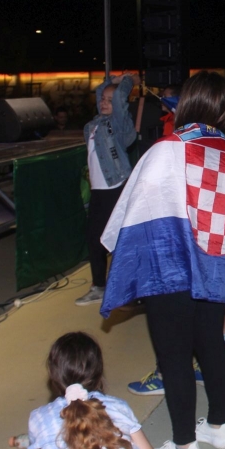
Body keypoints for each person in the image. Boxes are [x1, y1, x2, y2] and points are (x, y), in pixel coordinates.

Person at [100, 71, 225, 449]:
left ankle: (184, 446)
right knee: (210, 343)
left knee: (173, 355)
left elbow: (138, 208)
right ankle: (219, 426)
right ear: (222, 108)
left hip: (172, 266)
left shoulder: (169, 148)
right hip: (214, 265)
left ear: (188, 102)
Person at [0, 332, 161, 449]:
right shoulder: (118, 406)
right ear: (99, 372)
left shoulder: (39, 418)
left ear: (53, 375)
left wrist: (38, 446)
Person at [75, 74, 136, 306]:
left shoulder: (119, 126)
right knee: (94, 238)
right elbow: (103, 90)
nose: (104, 102)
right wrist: (111, 79)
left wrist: (126, 81)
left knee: (118, 239)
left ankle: (124, 287)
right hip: (99, 191)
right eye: (103, 99)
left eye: (110, 100)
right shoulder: (93, 124)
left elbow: (119, 98)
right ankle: (99, 286)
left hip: (116, 187)